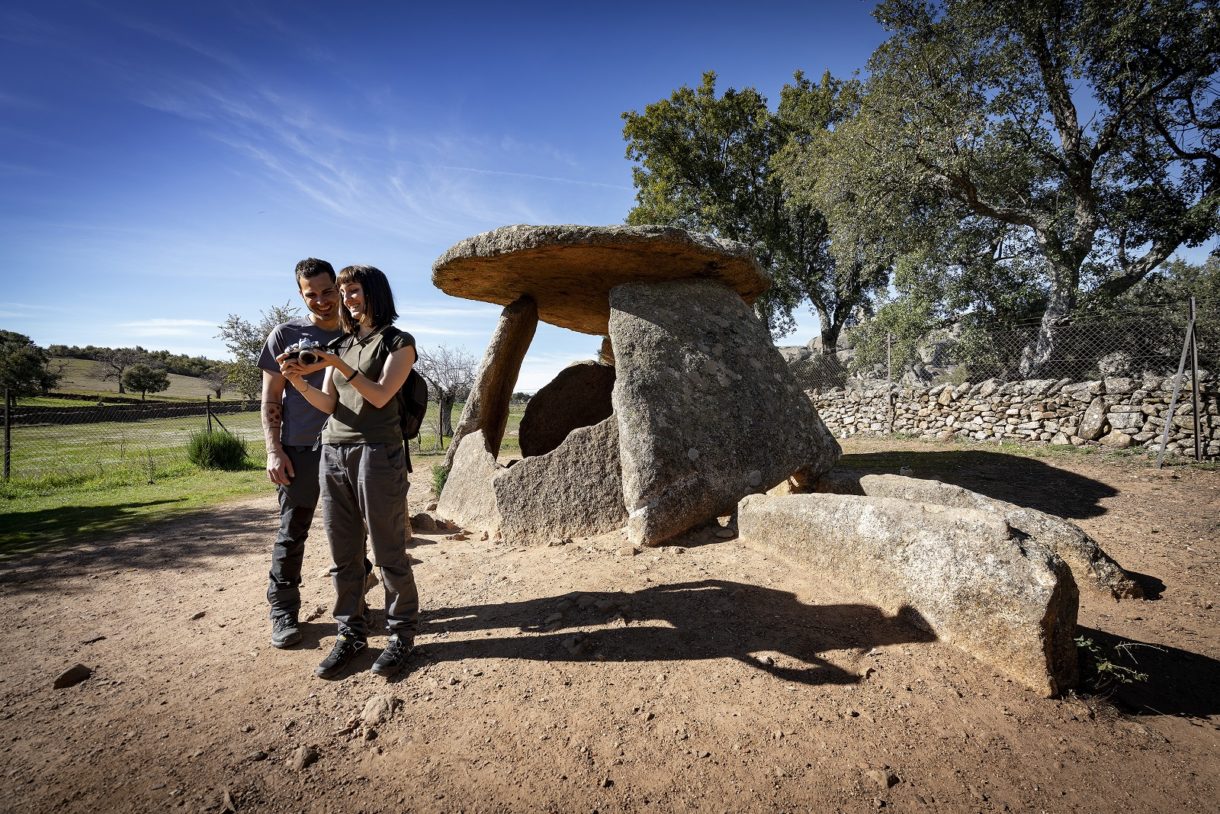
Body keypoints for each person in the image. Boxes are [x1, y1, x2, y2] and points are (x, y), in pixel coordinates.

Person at [280, 264, 420, 679]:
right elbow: (328, 406)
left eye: (353, 290)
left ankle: (401, 635)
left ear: (373, 291)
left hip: (378, 454)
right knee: (344, 554)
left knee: (388, 551)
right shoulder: (339, 344)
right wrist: (299, 382)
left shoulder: (398, 342)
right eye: (344, 292)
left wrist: (338, 366)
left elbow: (378, 397)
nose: (346, 298)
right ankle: (351, 633)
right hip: (333, 452)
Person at [259, 258, 373, 649]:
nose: (322, 301)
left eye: (329, 292)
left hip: (348, 446)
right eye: (312, 295)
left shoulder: (357, 331)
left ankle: (356, 605)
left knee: (354, 535)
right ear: (300, 294)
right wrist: (274, 450)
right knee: (293, 533)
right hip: (300, 448)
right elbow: (271, 397)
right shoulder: (284, 334)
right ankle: (284, 611)